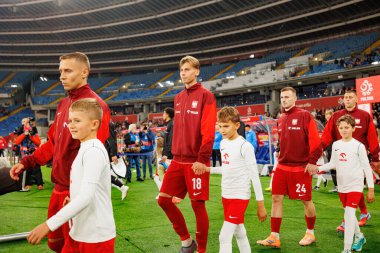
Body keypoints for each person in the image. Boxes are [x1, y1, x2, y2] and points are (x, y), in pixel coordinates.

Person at [10, 52, 110, 252]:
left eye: (68, 70)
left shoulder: (96, 106)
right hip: (58, 189)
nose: (62, 76)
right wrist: (27, 162)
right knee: (57, 245)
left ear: (84, 72)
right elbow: (53, 143)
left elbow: (94, 153)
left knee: (76, 246)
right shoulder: (64, 104)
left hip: (76, 193)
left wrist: (79, 192)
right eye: (60, 71)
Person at [27, 98, 116, 252]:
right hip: (79, 232)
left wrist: (48, 225)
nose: (71, 125)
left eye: (77, 120)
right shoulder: (85, 147)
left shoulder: (93, 151)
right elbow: (85, 190)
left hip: (96, 237)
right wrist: (73, 197)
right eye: (70, 120)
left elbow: (86, 197)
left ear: (94, 124)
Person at [157, 55, 217, 253]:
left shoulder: (206, 95)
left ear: (197, 71)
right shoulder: (178, 98)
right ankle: (187, 241)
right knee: (163, 200)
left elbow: (208, 131)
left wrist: (202, 159)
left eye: (188, 69)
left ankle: (201, 250)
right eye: (182, 70)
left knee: (197, 206)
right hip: (178, 160)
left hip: (195, 162)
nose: (184, 73)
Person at [257, 87, 322, 248]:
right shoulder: (281, 117)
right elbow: (282, 139)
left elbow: (316, 142)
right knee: (276, 198)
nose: (284, 100)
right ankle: (274, 237)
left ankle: (310, 233)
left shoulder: (304, 115)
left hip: (301, 167)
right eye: (282, 97)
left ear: (295, 99)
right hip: (283, 166)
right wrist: (279, 150)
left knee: (306, 201)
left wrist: (313, 161)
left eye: (287, 97)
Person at [204, 107, 267, 253]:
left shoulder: (245, 146)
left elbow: (254, 177)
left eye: (226, 126)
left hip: (240, 196)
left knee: (224, 237)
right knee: (239, 231)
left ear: (237, 125)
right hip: (226, 195)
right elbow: (227, 168)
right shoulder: (223, 143)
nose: (222, 130)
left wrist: (260, 204)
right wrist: (208, 169)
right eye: (219, 126)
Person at [321, 90, 380, 232]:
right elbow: (326, 137)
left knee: (354, 185)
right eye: (345, 97)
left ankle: (346, 221)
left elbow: (372, 137)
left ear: (356, 99)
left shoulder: (365, 116)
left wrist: (376, 157)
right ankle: (364, 212)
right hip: (342, 157)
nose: (347, 100)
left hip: (359, 158)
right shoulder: (336, 116)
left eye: (350, 97)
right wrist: (316, 152)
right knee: (348, 188)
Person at [318, 115, 374, 253]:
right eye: (341, 128)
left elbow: (367, 168)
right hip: (342, 186)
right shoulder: (336, 145)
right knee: (349, 215)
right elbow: (333, 164)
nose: (344, 130)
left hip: (356, 185)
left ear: (353, 128)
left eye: (347, 127)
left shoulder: (359, 146)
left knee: (349, 214)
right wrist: (318, 168)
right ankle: (359, 236)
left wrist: (371, 188)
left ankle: (347, 249)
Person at [14, 117, 44, 190]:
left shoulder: (33, 131)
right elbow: (17, 142)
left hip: (34, 154)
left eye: (27, 122)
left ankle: (40, 183)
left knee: (37, 169)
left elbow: (38, 143)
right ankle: (28, 184)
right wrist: (24, 134)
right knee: (26, 170)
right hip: (24, 155)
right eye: (24, 122)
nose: (25, 123)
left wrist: (31, 136)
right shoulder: (20, 131)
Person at [106, 121, 129, 200]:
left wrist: (113, 154)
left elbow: (111, 140)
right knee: (105, 175)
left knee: (103, 174)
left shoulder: (107, 123)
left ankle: (122, 187)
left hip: (106, 152)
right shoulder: (107, 123)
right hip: (106, 151)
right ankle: (122, 187)